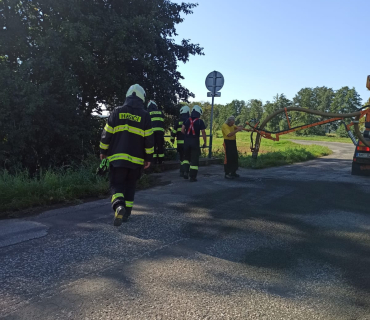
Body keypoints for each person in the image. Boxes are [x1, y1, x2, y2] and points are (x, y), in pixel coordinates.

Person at [100, 84, 154, 226]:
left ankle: (119, 206)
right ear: (142, 98)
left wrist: (103, 151)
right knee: (130, 185)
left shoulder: (117, 111)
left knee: (116, 184)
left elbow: (106, 134)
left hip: (117, 159)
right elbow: (149, 139)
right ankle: (127, 213)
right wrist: (148, 158)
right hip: (136, 161)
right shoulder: (145, 116)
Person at [181, 105, 207, 182]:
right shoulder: (200, 121)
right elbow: (203, 132)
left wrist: (186, 135)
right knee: (194, 160)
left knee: (186, 158)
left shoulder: (186, 120)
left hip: (186, 142)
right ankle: (192, 177)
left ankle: (185, 172)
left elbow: (182, 130)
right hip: (195, 142)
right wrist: (205, 142)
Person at [171, 105, 190, 177]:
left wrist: (172, 139)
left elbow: (173, 131)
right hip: (188, 143)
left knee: (182, 157)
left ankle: (182, 171)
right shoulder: (190, 120)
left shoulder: (178, 121)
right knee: (187, 158)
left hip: (180, 144)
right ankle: (186, 171)